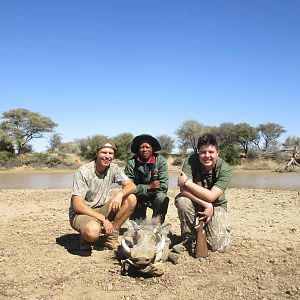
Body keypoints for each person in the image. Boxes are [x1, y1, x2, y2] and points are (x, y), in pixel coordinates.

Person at [69, 140, 137, 252]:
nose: (107, 156)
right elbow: (77, 205)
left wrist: (120, 194)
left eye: (110, 153)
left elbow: (132, 186)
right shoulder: (83, 172)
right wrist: (104, 220)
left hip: (102, 208)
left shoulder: (113, 168)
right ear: (97, 153)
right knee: (92, 232)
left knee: (131, 198)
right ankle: (85, 239)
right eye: (104, 153)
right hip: (82, 213)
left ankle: (111, 238)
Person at [173, 133, 232, 254]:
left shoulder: (225, 169)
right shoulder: (190, 161)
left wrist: (187, 182)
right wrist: (206, 205)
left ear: (217, 152)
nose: (207, 156)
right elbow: (182, 191)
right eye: (203, 152)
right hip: (195, 201)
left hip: (217, 205)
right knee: (182, 201)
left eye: (211, 152)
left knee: (218, 247)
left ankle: (215, 230)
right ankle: (187, 239)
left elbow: (211, 196)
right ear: (198, 152)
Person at [124, 134, 169, 224]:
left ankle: (156, 226)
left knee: (162, 197)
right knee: (137, 228)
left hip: (155, 196)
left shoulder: (161, 161)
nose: (144, 150)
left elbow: (163, 186)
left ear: (152, 149)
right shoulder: (131, 162)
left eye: (147, 147)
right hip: (138, 197)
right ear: (138, 149)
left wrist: (139, 189)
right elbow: (127, 187)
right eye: (141, 147)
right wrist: (147, 187)